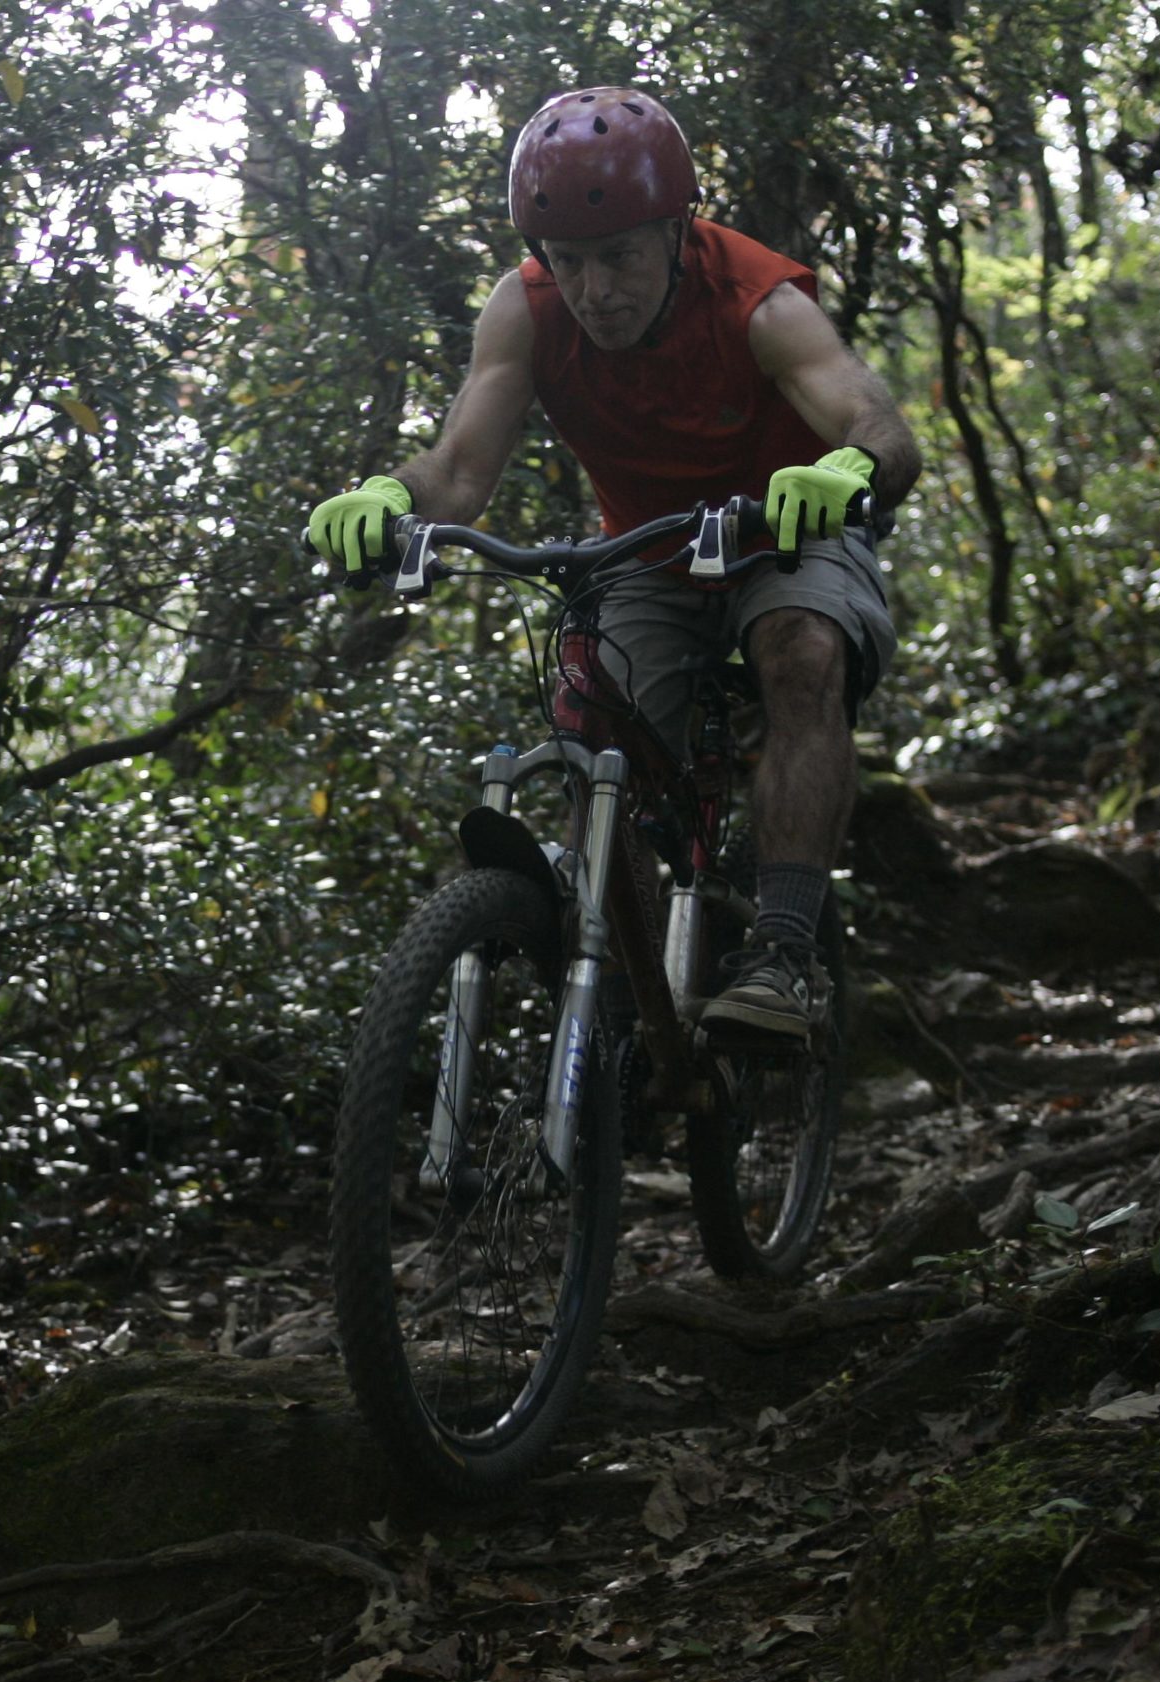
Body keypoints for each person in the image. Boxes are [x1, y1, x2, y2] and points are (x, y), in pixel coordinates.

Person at [308, 86, 921, 1048]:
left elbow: (876, 420)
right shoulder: (528, 307)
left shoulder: (758, 302)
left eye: (619, 256)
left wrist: (849, 465)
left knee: (803, 653)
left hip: (789, 525)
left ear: (677, 231)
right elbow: (461, 468)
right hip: (652, 550)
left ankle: (783, 955)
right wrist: (392, 495)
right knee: (601, 739)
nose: (594, 291)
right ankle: (629, 1007)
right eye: (570, 261)